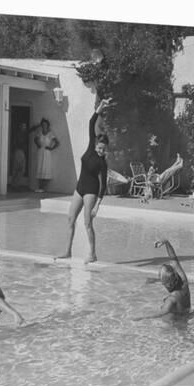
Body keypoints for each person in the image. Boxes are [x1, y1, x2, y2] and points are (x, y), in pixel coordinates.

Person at [56, 98, 112, 264]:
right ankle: (67, 251)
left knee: (87, 223)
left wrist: (97, 205)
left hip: (91, 192)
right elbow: (91, 123)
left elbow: (103, 186)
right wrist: (100, 108)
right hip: (79, 187)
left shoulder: (102, 163)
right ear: (95, 144)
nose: (101, 151)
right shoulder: (90, 146)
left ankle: (93, 254)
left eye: (104, 149)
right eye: (99, 148)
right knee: (70, 218)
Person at [134, 239, 191, 320]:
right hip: (187, 317)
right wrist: (166, 242)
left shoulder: (171, 300)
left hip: (175, 325)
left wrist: (141, 318)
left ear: (167, 284)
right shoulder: (184, 282)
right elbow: (174, 259)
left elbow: (161, 313)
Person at [31, 118, 59, 192]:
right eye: (43, 125)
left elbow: (57, 142)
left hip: (47, 152)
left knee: (45, 168)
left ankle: (43, 187)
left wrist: (51, 148)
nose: (44, 126)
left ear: (48, 125)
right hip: (40, 151)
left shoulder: (50, 133)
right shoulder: (39, 132)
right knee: (40, 167)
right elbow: (35, 139)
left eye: (45, 124)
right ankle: (40, 187)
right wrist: (38, 145)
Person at [11, 123, 28, 190]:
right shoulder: (18, 134)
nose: (24, 127)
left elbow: (29, 131)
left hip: (21, 152)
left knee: (21, 169)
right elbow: (15, 143)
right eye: (23, 126)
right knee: (18, 169)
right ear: (20, 126)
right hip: (18, 151)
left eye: (25, 126)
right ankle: (15, 185)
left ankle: (15, 185)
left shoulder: (24, 134)